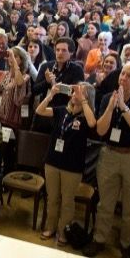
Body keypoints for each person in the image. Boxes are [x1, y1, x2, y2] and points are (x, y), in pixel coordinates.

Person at [85, 61, 130, 258]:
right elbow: (100, 130)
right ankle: (99, 239)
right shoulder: (108, 97)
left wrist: (123, 107)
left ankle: (126, 245)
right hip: (110, 154)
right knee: (105, 203)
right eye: (122, 73)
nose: (123, 78)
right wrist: (112, 106)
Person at [35, 81, 97, 242]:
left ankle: (63, 232)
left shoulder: (86, 116)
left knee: (67, 201)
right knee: (52, 198)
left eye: (78, 92)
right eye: (74, 91)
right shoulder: (62, 110)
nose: (74, 94)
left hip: (72, 166)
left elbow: (92, 123)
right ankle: (50, 228)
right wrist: (50, 95)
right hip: (52, 161)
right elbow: (39, 110)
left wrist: (83, 100)